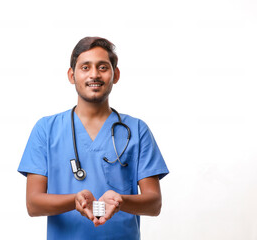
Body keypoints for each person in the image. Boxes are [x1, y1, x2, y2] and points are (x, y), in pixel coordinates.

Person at [18, 37, 169, 239]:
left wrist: (120, 200)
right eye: (85, 67)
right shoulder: (46, 129)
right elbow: (33, 204)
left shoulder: (137, 130)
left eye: (103, 67)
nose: (94, 74)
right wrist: (74, 200)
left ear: (116, 75)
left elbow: (154, 204)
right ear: (72, 75)